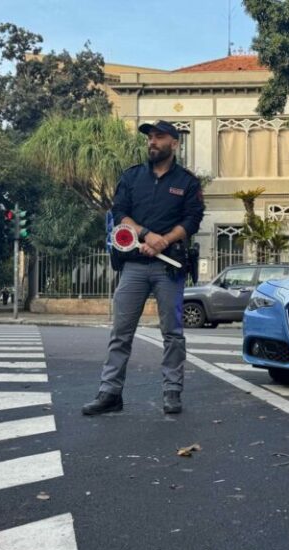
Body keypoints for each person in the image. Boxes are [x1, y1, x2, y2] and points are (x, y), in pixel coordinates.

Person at [82, 120, 205, 416]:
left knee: (172, 333)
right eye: (150, 137)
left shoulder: (188, 182)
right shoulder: (132, 177)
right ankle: (110, 392)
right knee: (120, 332)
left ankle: (172, 392)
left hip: (169, 268)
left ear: (174, 143)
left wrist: (163, 241)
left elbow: (192, 220)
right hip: (134, 265)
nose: (152, 141)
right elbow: (120, 212)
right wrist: (146, 235)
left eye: (159, 137)